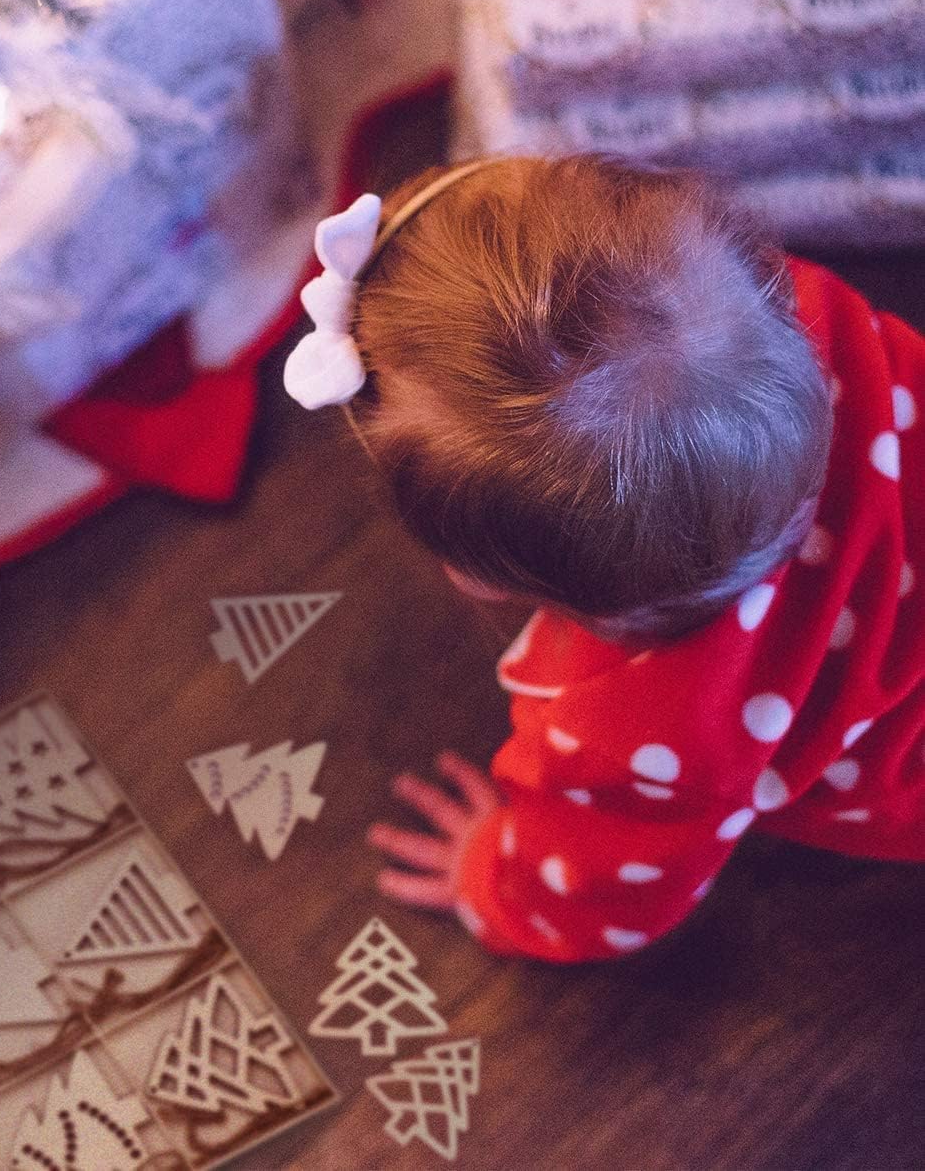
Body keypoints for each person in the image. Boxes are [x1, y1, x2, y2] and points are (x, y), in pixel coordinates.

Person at [285, 155, 925, 960]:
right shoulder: (798, 316)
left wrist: (490, 874)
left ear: (476, 576)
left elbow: (599, 894)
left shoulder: (634, 739)